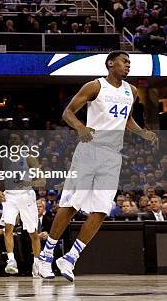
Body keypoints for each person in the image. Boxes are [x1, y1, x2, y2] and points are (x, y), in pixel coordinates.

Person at [37, 51, 157, 281]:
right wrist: (81, 128)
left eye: (129, 62)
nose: (128, 65)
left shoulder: (131, 91)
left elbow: (126, 119)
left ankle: (70, 258)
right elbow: (68, 112)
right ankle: (46, 255)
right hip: (90, 150)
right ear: (110, 63)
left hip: (113, 156)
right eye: (124, 61)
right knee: (72, 204)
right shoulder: (95, 86)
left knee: (101, 210)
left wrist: (142, 132)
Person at [0, 134, 45, 276]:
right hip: (10, 196)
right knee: (8, 228)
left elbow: (42, 181)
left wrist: (29, 183)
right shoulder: (2, 160)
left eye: (16, 139)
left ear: (21, 142)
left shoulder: (29, 158)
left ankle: (36, 263)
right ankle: (11, 261)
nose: (13, 141)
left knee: (32, 233)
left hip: (26, 196)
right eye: (11, 139)